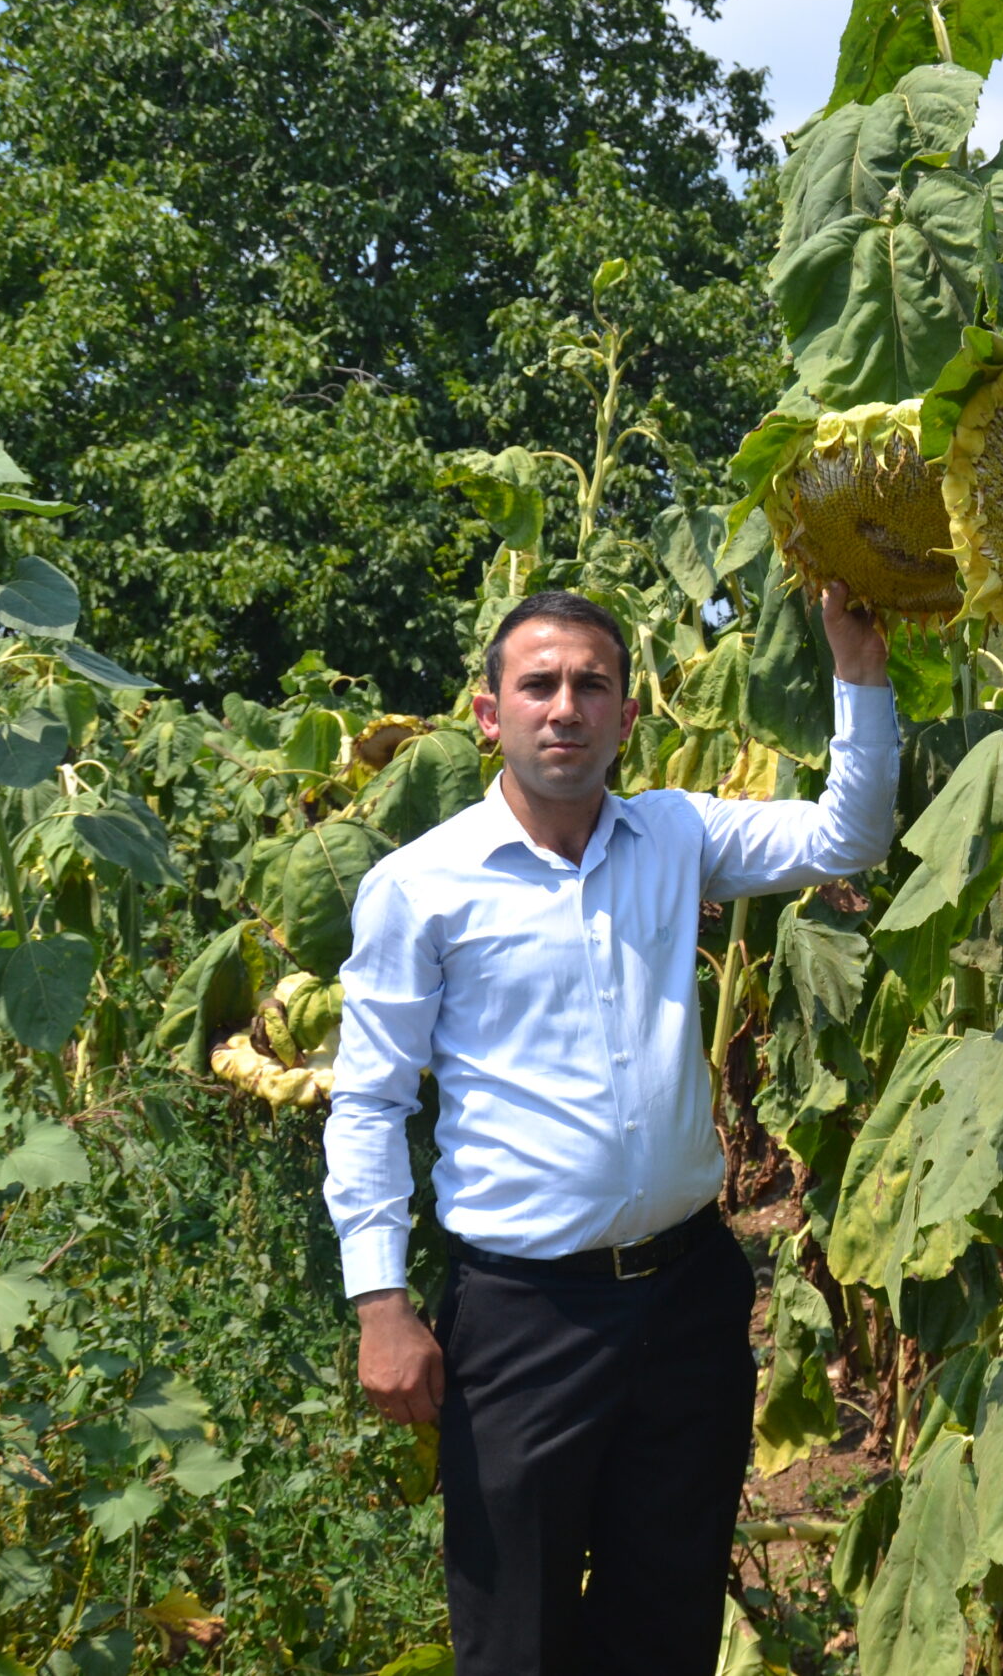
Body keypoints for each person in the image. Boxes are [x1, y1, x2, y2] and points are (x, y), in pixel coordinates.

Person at [321, 585, 897, 1676]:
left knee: (665, 1622)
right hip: (525, 1316)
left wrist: (858, 669)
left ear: (627, 717)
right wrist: (381, 1302)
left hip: (687, 1299)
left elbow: (848, 834)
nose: (565, 707)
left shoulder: (675, 835)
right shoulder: (420, 885)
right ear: (489, 713)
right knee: (517, 1637)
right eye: (537, 684)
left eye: (592, 685)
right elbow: (371, 1100)